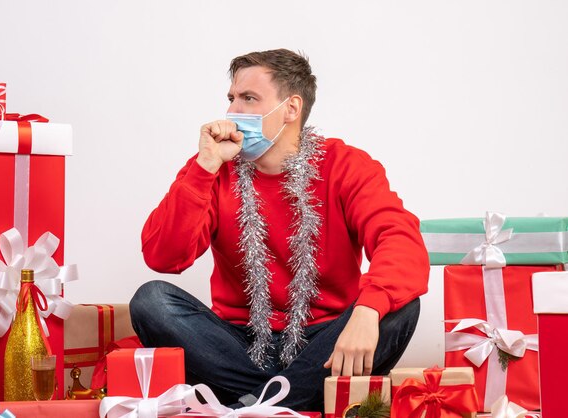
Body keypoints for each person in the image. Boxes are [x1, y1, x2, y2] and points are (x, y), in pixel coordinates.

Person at [131, 48, 429, 411]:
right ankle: (285, 400)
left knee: (401, 307)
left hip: (323, 341)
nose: (233, 112)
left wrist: (368, 310)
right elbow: (163, 256)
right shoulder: (212, 168)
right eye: (231, 99)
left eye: (249, 99)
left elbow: (399, 240)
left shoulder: (346, 165)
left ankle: (253, 403)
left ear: (290, 108)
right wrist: (204, 167)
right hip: (238, 343)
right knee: (152, 301)